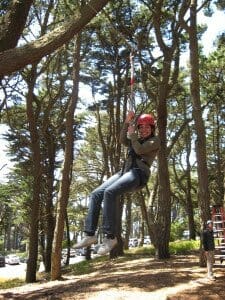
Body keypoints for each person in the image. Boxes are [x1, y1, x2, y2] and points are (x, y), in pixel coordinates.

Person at [74, 111, 160, 255]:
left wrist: (133, 135)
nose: (144, 130)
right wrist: (127, 123)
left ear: (152, 129)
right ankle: (89, 234)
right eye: (141, 127)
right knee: (96, 194)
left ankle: (110, 237)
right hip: (124, 172)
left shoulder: (155, 141)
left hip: (138, 174)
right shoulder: (135, 139)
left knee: (110, 193)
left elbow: (139, 150)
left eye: (147, 127)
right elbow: (121, 140)